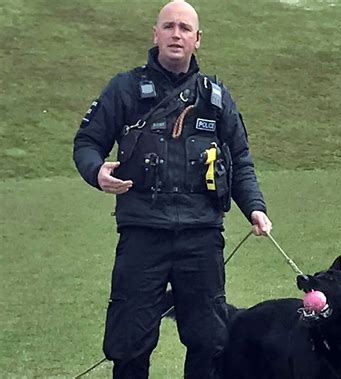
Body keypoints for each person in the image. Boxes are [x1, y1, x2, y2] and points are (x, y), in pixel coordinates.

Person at [73, 1, 272, 378]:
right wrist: (97, 171)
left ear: (198, 39)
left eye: (184, 28)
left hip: (202, 237)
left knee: (209, 341)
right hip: (142, 234)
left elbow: (241, 159)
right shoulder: (125, 89)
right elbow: (87, 142)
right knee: (129, 342)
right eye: (168, 27)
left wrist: (255, 208)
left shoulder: (216, 98)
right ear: (155, 34)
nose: (176, 34)